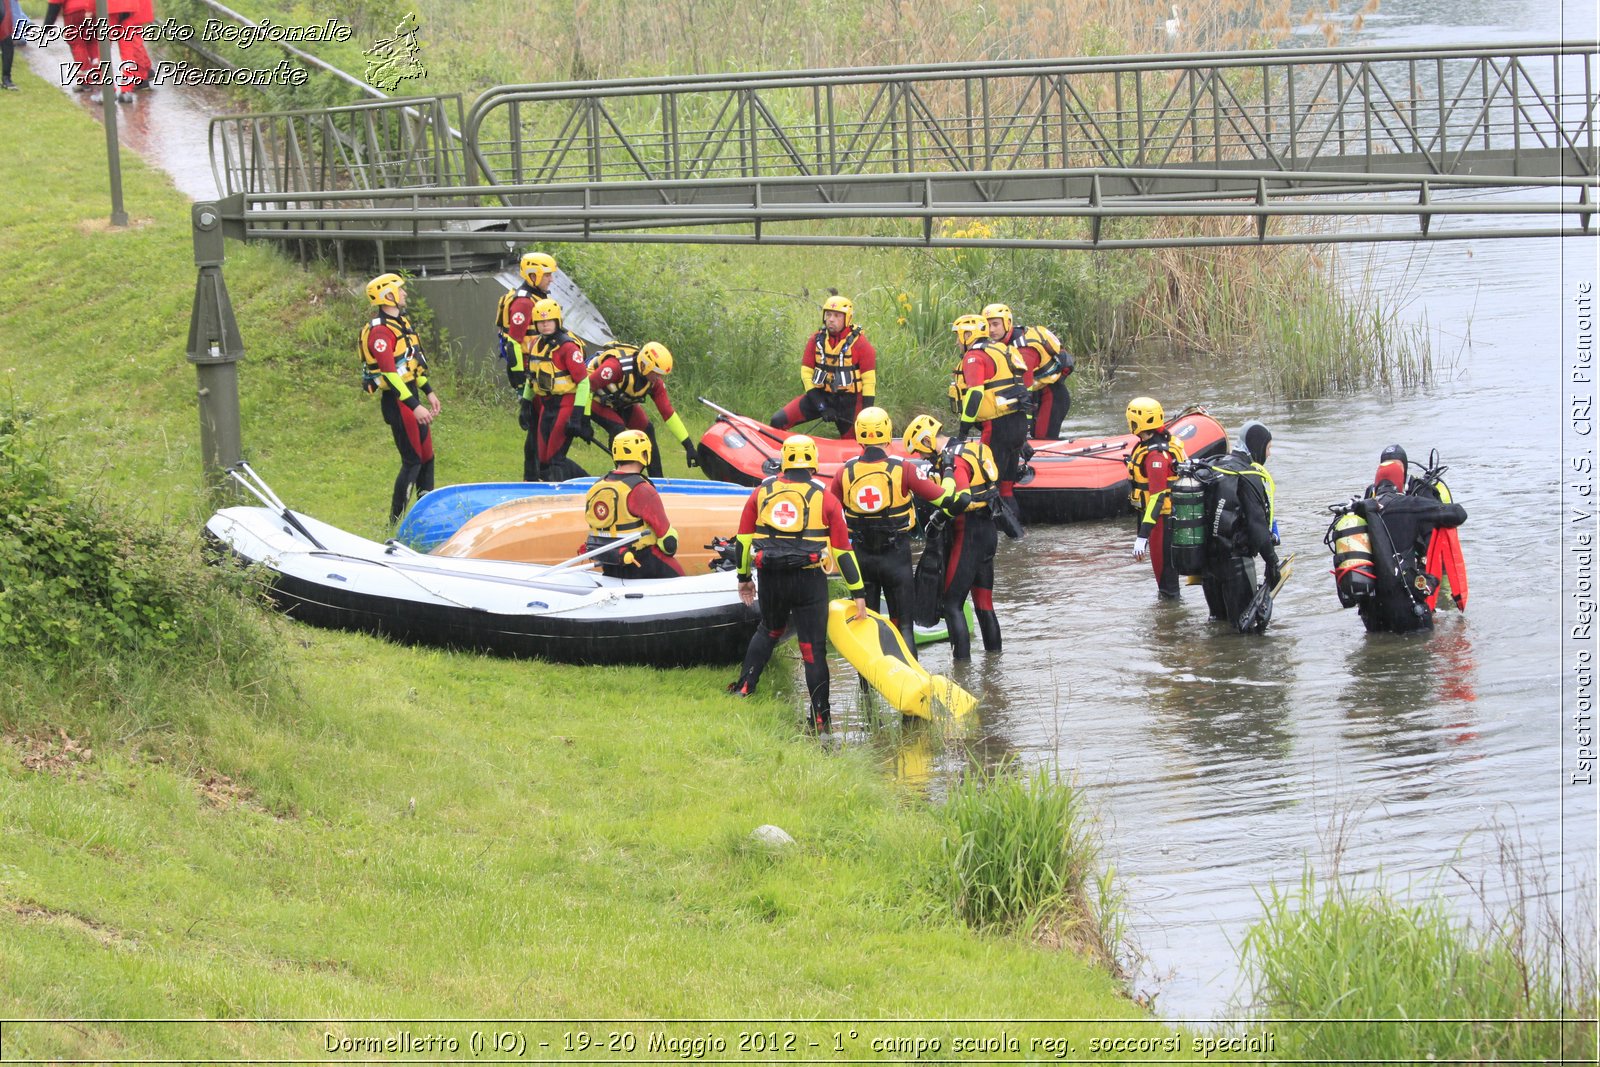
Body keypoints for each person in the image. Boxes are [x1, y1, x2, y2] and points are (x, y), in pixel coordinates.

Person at [727, 434, 868, 731]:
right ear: (814, 462)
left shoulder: (761, 493)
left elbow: (742, 541)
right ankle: (820, 718)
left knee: (768, 629)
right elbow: (843, 552)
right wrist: (858, 593)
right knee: (812, 649)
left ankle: (744, 688)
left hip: (771, 577)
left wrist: (744, 578)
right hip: (809, 580)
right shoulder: (826, 499)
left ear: (784, 460)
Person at [828, 406, 954, 655]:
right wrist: (948, 470)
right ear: (887, 432)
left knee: (867, 627)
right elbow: (945, 499)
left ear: (858, 436)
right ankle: (911, 682)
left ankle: (866, 691)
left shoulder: (844, 472)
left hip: (862, 558)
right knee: (904, 626)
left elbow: (829, 513)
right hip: (896, 558)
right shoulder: (903, 469)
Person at [903, 414, 1002, 661]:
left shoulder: (954, 460)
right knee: (984, 604)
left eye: (921, 452)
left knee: (951, 604)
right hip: (988, 531)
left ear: (927, 441)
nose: (923, 458)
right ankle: (995, 665)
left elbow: (963, 498)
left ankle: (962, 673)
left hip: (967, 535)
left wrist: (938, 517)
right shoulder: (971, 448)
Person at [1351, 458, 1468, 633]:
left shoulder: (1358, 511)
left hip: (1371, 613)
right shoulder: (1408, 505)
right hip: (1406, 607)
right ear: (1401, 482)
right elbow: (1458, 514)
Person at [359, 273, 439, 524]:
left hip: (411, 395)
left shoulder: (400, 323)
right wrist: (414, 406)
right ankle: (395, 523)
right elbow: (390, 374)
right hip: (398, 403)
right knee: (412, 461)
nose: (405, 293)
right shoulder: (380, 332)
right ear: (388, 295)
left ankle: (426, 517)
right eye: (400, 289)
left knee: (427, 458)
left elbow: (410, 366)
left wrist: (428, 391)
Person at [1199, 421, 1283, 631]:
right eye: (1268, 447)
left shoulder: (1215, 466)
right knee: (1245, 631)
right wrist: (1271, 561)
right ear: (1257, 445)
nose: (1269, 454)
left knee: (1218, 626)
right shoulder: (1248, 475)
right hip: (1236, 564)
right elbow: (1257, 525)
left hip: (1207, 565)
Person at [950, 313, 1028, 538]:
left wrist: (963, 430)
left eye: (959, 336)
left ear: (969, 334)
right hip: (1017, 424)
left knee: (986, 486)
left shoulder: (974, 356)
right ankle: (1018, 542)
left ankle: (1006, 536)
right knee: (1005, 487)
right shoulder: (1003, 349)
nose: (957, 342)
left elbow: (975, 394)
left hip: (997, 428)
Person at [579, 341, 698, 478]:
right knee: (618, 428)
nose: (658, 378)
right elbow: (587, 386)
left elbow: (668, 413)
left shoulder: (654, 383)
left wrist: (688, 446)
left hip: (620, 402)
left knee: (647, 430)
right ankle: (622, 474)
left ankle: (657, 480)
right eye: (656, 373)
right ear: (645, 366)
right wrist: (584, 419)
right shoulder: (616, 367)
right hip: (594, 399)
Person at [582, 429, 685, 580]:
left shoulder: (596, 486)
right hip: (641, 561)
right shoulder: (642, 489)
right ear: (644, 454)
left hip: (609, 562)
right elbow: (667, 540)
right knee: (679, 575)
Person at [769, 295, 876, 438]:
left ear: (847, 319)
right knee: (777, 421)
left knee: (856, 442)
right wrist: (822, 406)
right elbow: (806, 376)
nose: (831, 319)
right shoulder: (816, 340)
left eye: (837, 316)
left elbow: (869, 383)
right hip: (821, 397)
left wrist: (867, 417)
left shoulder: (861, 344)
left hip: (850, 403)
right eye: (828, 314)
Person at [519, 297, 589, 481]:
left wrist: (578, 415)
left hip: (566, 404)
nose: (544, 325)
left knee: (554, 460)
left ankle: (582, 485)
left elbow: (583, 382)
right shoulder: (535, 345)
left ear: (557, 321)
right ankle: (578, 482)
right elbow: (531, 378)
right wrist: (525, 404)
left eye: (548, 320)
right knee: (542, 461)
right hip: (546, 406)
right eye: (540, 322)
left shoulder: (567, 347)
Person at [983, 303, 1074, 441]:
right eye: (987, 325)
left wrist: (1024, 425)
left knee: (1042, 437)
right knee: (1035, 435)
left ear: (1008, 323)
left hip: (1052, 396)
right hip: (1039, 394)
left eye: (996, 324)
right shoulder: (1005, 342)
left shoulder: (1024, 349)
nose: (991, 330)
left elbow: (1025, 391)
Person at [1127, 396, 1187, 598]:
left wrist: (1142, 536)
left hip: (1163, 523)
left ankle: (1169, 624)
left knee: (1167, 585)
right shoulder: (1154, 445)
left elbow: (1157, 498)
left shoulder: (1155, 457)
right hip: (1161, 521)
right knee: (1165, 582)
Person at [495, 251, 556, 391]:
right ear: (534, 276)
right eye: (547, 275)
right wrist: (519, 377)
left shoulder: (537, 297)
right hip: (528, 371)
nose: (551, 279)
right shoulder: (524, 303)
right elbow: (513, 343)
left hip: (539, 366)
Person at [105, 0, 152, 95]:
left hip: (124, 7)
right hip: (131, 7)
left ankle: (141, 76)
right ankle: (142, 73)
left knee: (133, 42)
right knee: (132, 42)